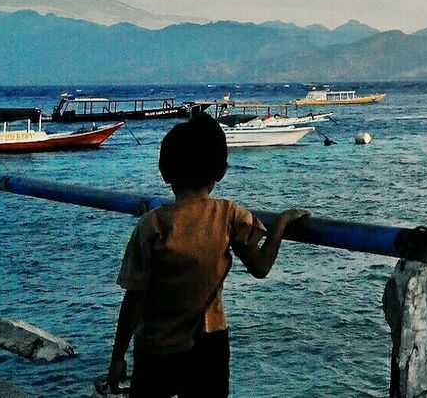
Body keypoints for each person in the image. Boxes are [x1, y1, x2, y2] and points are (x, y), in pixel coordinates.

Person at [106, 115, 309, 397]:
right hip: (209, 345)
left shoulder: (151, 226)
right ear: (221, 172)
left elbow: (134, 299)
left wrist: (117, 356)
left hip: (155, 348)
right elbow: (261, 267)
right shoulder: (229, 216)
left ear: (165, 172)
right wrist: (282, 224)